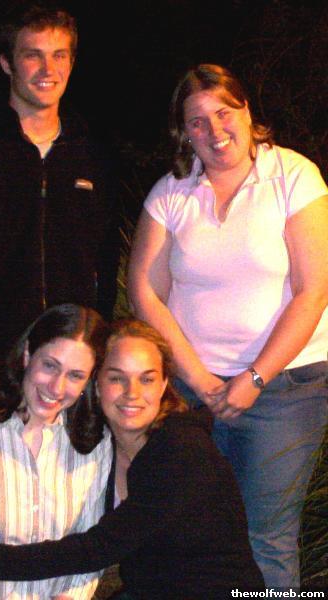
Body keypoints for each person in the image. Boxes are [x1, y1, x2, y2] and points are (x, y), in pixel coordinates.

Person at [126, 63, 328, 588]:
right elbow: (144, 290)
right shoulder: (172, 191)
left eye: (224, 112)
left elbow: (313, 291)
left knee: (266, 536)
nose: (214, 130)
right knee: (196, 531)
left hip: (285, 392)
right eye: (197, 121)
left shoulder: (293, 176)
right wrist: (199, 380)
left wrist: (254, 378)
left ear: (246, 111)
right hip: (195, 394)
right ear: (184, 132)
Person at [0, 319, 264, 599]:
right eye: (117, 377)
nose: (132, 393)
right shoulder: (102, 445)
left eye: (147, 379)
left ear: (164, 384)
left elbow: (93, 549)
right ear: (97, 383)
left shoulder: (182, 450)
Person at [0, 1, 118, 449]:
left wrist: (94, 354)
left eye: (59, 55)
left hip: (67, 377)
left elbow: (106, 267)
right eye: (33, 55)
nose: (48, 69)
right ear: (7, 63)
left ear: (72, 62)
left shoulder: (93, 155)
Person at [0, 303, 113, 600]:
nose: (57, 387)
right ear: (28, 354)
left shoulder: (96, 446)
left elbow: (89, 555)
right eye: (50, 365)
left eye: (75, 375)